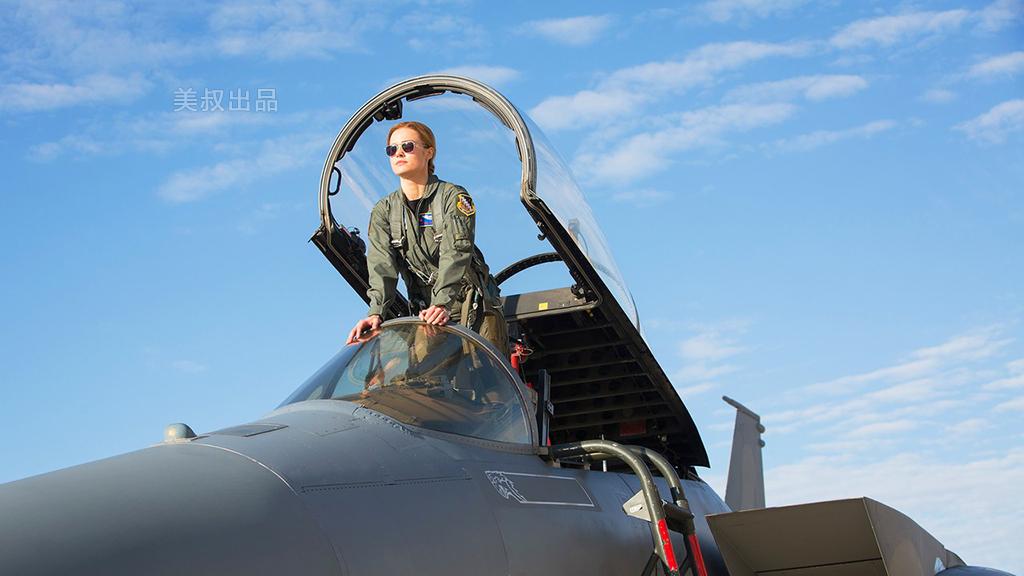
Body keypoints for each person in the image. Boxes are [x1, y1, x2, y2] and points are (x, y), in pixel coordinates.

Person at [345, 121, 509, 356]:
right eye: (392, 149)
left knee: (487, 376)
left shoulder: (453, 197)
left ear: (429, 152)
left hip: (473, 308)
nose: (398, 153)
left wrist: (441, 303)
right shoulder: (384, 211)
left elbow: (456, 253)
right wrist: (375, 313)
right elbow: (382, 266)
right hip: (426, 315)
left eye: (407, 146)